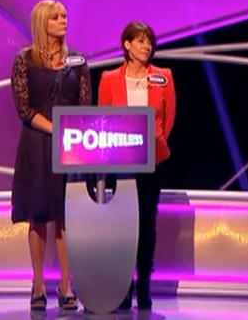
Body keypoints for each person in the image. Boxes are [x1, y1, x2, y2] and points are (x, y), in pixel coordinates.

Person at [10, 0, 90, 312]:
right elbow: (24, 108)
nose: (62, 20)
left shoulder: (77, 61)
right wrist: (56, 128)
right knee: (39, 214)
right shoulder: (24, 60)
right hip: (36, 143)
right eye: (55, 17)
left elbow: (85, 105)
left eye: (64, 16)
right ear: (42, 22)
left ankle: (66, 284)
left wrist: (72, 134)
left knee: (66, 215)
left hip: (70, 146)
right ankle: (38, 283)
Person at [98, 21, 176, 311]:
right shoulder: (109, 79)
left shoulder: (163, 77)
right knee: (122, 225)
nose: (147, 46)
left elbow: (169, 117)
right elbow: (103, 118)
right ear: (127, 45)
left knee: (146, 223)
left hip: (152, 160)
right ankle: (123, 286)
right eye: (141, 41)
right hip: (120, 160)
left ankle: (143, 285)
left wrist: (156, 143)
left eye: (149, 42)